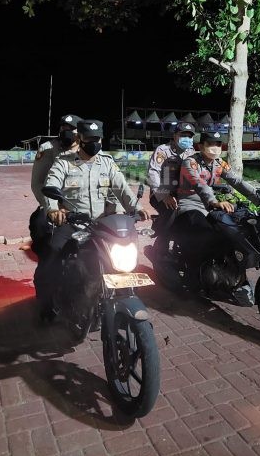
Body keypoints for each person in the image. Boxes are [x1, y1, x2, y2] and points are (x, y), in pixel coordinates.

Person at [34, 119, 150, 321]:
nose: (94, 143)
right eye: (89, 139)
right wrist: (53, 209)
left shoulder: (106, 162)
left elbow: (122, 188)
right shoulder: (64, 162)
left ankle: (117, 293)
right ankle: (47, 304)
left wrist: (137, 208)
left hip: (101, 223)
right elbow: (51, 185)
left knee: (123, 252)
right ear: (80, 138)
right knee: (53, 252)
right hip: (72, 222)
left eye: (97, 139)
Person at [175, 131, 260, 302]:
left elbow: (238, 182)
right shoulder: (190, 162)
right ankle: (192, 278)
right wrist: (213, 201)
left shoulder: (219, 164)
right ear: (200, 146)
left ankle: (228, 273)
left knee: (232, 233)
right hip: (190, 205)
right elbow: (200, 184)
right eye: (211, 144)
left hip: (213, 207)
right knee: (205, 236)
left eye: (218, 144)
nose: (215, 148)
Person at [29, 114, 82, 256]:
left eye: (71, 128)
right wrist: (51, 208)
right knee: (39, 223)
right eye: (63, 127)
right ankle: (47, 260)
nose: (66, 131)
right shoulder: (47, 148)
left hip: (80, 202)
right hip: (54, 202)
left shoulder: (86, 149)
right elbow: (37, 183)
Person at [146, 122, 196, 244]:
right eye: (183, 135)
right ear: (174, 136)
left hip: (182, 194)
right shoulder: (163, 150)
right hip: (160, 193)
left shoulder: (191, 152)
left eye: (189, 136)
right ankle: (160, 245)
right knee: (171, 212)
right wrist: (164, 195)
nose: (186, 139)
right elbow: (153, 173)